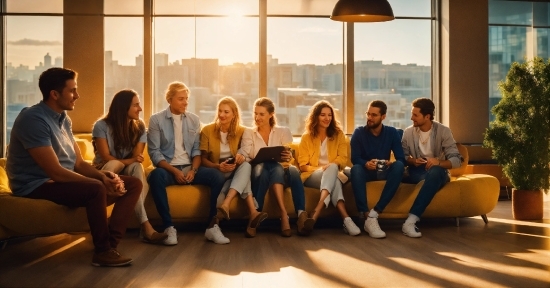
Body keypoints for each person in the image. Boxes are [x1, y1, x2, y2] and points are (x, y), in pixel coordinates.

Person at [6, 67, 141, 267]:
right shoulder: (33, 119)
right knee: (96, 188)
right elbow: (55, 172)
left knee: (133, 184)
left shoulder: (64, 120)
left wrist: (104, 175)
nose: (77, 96)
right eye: (72, 91)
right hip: (36, 184)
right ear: (54, 94)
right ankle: (103, 252)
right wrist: (100, 181)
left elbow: (77, 163)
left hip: (59, 180)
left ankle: (110, 245)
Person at [147, 82, 227, 245]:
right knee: (155, 176)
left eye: (187, 99)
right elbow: (154, 153)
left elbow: (197, 151)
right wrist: (175, 172)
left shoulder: (193, 119)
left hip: (190, 166)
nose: (185, 102)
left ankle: (212, 226)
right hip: (169, 169)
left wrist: (194, 170)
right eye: (181, 99)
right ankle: (169, 227)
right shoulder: (156, 120)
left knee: (217, 176)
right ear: (169, 100)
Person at [92, 89, 167, 244]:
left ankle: (141, 225)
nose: (140, 109)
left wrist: (130, 160)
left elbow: (137, 159)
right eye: (136, 105)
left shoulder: (139, 127)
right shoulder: (101, 126)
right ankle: (146, 227)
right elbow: (106, 157)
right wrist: (128, 160)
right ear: (123, 107)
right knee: (114, 163)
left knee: (137, 169)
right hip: (105, 169)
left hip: (128, 170)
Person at [240, 98, 312, 237]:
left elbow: (289, 157)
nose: (257, 117)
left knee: (292, 170)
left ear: (271, 114)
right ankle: (283, 214)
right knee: (268, 168)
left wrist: (287, 156)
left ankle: (301, 215)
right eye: (256, 113)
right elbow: (246, 154)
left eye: (261, 114)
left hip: (281, 170)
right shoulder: (249, 133)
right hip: (258, 170)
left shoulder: (283, 131)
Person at [200, 96, 268, 239]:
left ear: (234, 114)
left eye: (226, 112)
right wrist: (218, 166)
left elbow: (245, 153)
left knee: (245, 165)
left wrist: (240, 157)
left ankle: (225, 204)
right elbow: (203, 160)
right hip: (216, 171)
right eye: (220, 111)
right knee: (245, 173)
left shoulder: (242, 131)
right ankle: (253, 212)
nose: (222, 115)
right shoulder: (207, 130)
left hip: (234, 172)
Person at [401, 97, 463, 237]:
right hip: (416, 172)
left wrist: (438, 162)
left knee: (435, 171)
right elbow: (403, 157)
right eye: (412, 114)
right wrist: (413, 161)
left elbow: (456, 160)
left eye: (415, 115)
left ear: (427, 116)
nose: (412, 118)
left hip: (437, 173)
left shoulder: (443, 131)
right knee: (396, 169)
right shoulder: (408, 132)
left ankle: (411, 221)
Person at [298, 100, 360, 236]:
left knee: (333, 173)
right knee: (331, 170)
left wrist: (329, 167)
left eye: (329, 115)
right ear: (315, 117)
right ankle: (333, 214)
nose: (327, 118)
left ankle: (332, 215)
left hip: (334, 174)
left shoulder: (338, 135)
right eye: (323, 115)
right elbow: (303, 166)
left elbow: (342, 160)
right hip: (312, 176)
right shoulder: (306, 137)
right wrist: (322, 168)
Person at [350, 100, 406, 239]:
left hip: (384, 171)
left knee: (399, 166)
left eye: (374, 115)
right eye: (368, 114)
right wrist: (366, 163)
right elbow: (355, 158)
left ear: (383, 117)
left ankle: (375, 212)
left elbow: (401, 159)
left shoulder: (392, 132)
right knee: (356, 169)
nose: (369, 117)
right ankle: (364, 213)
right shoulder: (358, 132)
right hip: (366, 171)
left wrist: (390, 162)